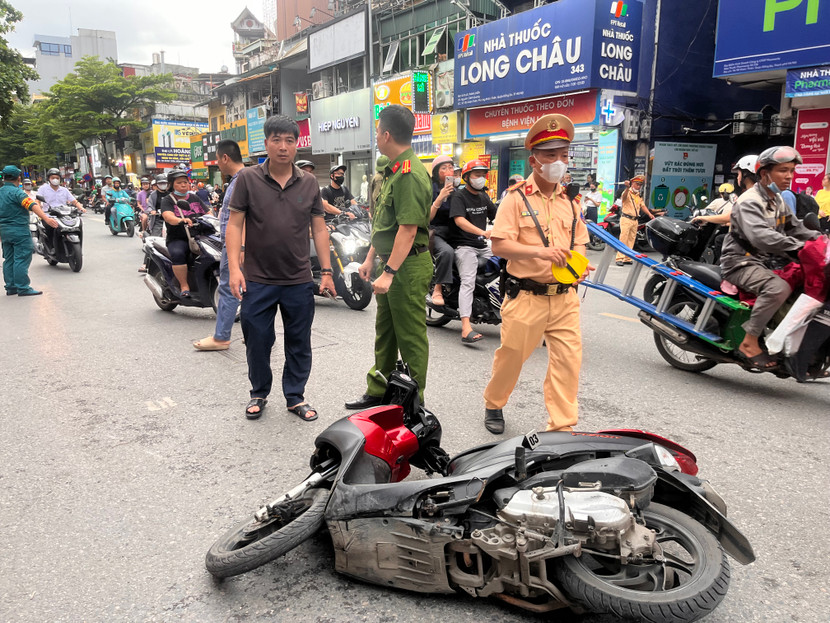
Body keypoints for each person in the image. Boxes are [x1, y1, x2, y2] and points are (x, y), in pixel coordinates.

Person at [482, 114, 593, 435]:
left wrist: (579, 266)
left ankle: (561, 427)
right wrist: (540, 253)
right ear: (534, 160)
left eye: (563, 155)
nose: (559, 161)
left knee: (568, 363)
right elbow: (500, 245)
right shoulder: (515, 199)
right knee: (512, 357)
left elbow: (580, 241)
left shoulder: (571, 202)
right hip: (525, 296)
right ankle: (494, 402)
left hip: (564, 299)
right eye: (550, 155)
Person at [226, 115, 335, 421]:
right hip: (258, 279)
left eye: (290, 140)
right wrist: (234, 268)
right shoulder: (248, 178)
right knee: (257, 340)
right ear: (267, 143)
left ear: (298, 144)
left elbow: (319, 227)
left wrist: (326, 272)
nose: (284, 147)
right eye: (277, 140)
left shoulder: (310, 182)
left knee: (299, 341)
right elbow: (235, 225)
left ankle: (295, 396)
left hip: (298, 279)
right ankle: (258, 392)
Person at [346, 104, 433, 409]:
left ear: (385, 134)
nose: (376, 138)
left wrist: (390, 272)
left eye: (377, 132)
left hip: (407, 266)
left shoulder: (409, 174)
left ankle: (413, 403)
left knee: (410, 337)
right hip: (392, 261)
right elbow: (386, 225)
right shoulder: (394, 170)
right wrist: (372, 259)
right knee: (385, 332)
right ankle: (379, 388)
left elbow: (408, 231)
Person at [720, 146, 819, 369]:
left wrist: (820, 239)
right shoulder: (750, 201)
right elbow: (762, 237)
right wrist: (798, 248)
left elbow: (795, 227)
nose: (789, 176)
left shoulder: (777, 199)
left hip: (767, 260)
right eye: (783, 171)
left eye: (792, 171)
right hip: (740, 262)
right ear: (765, 174)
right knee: (778, 288)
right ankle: (750, 340)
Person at [193, 140, 245, 352]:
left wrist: (240, 248)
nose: (217, 164)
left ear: (225, 157)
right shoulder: (242, 179)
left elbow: (244, 217)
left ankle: (221, 337)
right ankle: (257, 335)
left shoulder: (241, 181)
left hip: (237, 245)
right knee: (250, 290)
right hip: (241, 244)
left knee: (229, 287)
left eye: (217, 158)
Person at [449, 158, 498, 343]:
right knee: (468, 281)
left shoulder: (484, 196)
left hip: (483, 246)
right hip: (464, 246)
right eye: (477, 175)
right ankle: (466, 326)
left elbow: (497, 216)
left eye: (483, 175)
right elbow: (459, 220)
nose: (481, 178)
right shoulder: (459, 196)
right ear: (467, 177)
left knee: (507, 268)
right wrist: (482, 232)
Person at [0, 165, 59, 296]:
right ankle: (23, 287)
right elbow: (32, 205)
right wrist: (46, 218)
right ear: (18, 178)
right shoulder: (17, 192)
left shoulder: (1, 192)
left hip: (4, 231)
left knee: (9, 259)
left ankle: (11, 287)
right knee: (21, 258)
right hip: (19, 230)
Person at [159, 170, 210, 297]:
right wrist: (181, 220)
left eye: (185, 182)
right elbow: (168, 216)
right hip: (178, 237)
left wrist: (211, 218)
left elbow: (208, 212)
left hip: (199, 235)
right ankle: (184, 285)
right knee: (178, 253)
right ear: (171, 185)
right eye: (179, 183)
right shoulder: (167, 200)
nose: (183, 185)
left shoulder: (194, 197)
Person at [427, 154, 456, 308]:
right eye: (443, 168)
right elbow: (428, 218)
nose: (448, 171)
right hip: (436, 231)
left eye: (450, 167)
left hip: (455, 231)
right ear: (436, 171)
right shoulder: (430, 189)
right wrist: (440, 197)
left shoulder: (456, 190)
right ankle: (438, 288)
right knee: (447, 252)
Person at [37, 168, 85, 252]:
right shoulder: (43, 189)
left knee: (77, 225)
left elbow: (74, 201)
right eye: (53, 178)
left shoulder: (64, 190)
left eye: (57, 178)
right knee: (51, 227)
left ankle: (77, 248)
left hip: (64, 215)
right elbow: (37, 201)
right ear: (49, 178)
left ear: (60, 179)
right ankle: (52, 247)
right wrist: (39, 210)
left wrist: (81, 208)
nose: (55, 179)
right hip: (49, 215)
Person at [615, 174, 654, 266]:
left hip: (635, 220)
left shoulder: (638, 195)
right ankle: (619, 258)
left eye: (640, 185)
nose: (639, 186)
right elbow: (623, 197)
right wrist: (627, 187)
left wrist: (649, 214)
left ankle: (627, 258)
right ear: (632, 184)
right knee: (623, 239)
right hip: (626, 219)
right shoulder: (627, 192)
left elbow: (642, 206)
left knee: (631, 239)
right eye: (637, 184)